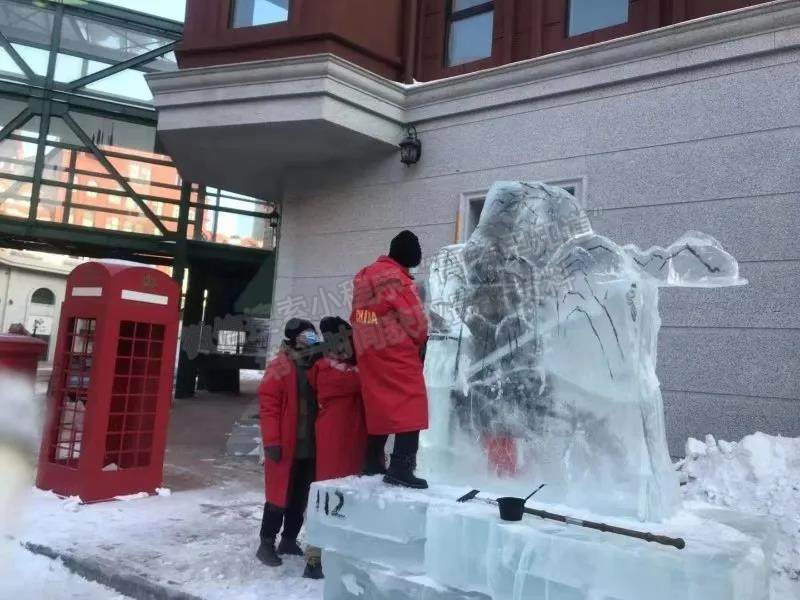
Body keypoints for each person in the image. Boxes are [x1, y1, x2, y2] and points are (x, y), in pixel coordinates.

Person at [351, 230, 429, 489]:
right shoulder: (396, 278)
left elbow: (359, 316)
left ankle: (372, 462)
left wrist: (377, 330)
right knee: (411, 404)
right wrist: (415, 340)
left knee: (380, 403)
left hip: (368, 349)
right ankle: (401, 467)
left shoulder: (365, 274)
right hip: (396, 352)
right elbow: (414, 321)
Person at [303, 316, 368, 579]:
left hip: (350, 437)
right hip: (335, 437)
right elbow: (359, 381)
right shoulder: (327, 367)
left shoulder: (339, 364)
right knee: (327, 496)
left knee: (346, 496)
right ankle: (314, 557)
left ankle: (335, 551)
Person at [256, 318, 320, 568]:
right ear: (294, 338)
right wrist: (271, 441)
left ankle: (289, 540)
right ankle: (266, 543)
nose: (310, 338)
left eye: (312, 334)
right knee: (278, 497)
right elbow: (268, 407)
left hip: (309, 445)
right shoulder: (279, 367)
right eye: (306, 335)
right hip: (285, 444)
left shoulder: (315, 364)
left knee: (299, 497)